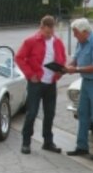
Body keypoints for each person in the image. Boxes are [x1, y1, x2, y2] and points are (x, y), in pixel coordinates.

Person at [15, 15, 66, 154]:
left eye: (52, 32)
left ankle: (48, 141)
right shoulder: (31, 41)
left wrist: (61, 71)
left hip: (51, 82)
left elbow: (62, 58)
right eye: (47, 32)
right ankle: (26, 142)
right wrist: (30, 75)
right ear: (41, 28)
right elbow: (19, 58)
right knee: (32, 113)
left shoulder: (57, 42)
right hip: (36, 83)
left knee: (50, 113)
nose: (50, 35)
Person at [65, 18, 93, 160]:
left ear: (85, 32)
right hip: (86, 82)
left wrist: (76, 69)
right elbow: (76, 58)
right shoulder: (81, 42)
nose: (74, 35)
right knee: (82, 114)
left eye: (76, 32)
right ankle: (82, 146)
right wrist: (67, 67)